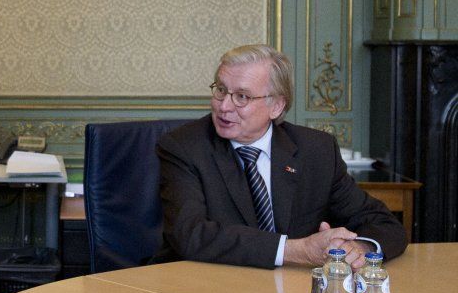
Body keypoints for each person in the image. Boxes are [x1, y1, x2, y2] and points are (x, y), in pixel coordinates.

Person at [155, 43, 407, 270]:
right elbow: (189, 234)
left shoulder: (316, 150)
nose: (224, 106)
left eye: (241, 96)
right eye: (221, 90)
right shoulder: (184, 147)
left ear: (276, 106)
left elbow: (383, 223)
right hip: (207, 289)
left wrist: (360, 249)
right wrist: (297, 250)